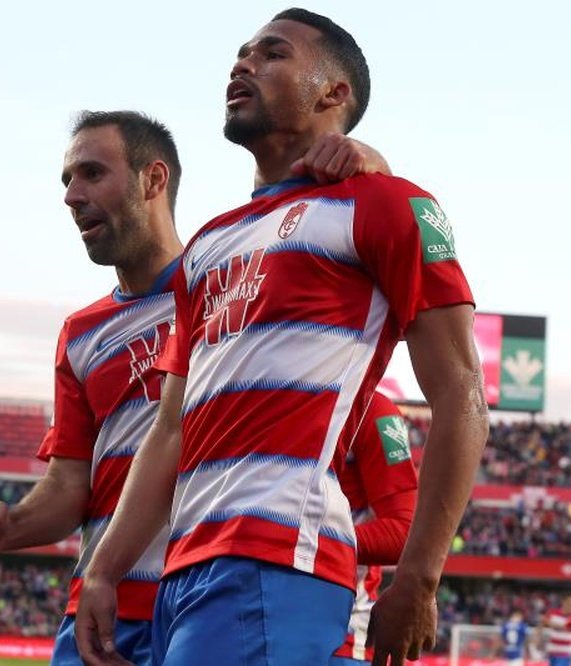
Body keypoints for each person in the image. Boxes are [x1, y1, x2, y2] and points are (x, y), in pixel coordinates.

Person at [75, 8, 488, 666]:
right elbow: (171, 429)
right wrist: (105, 568)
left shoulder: (385, 204)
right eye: (241, 54)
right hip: (184, 574)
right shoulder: (208, 244)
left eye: (273, 54)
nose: (243, 64)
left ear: (333, 94)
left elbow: (462, 395)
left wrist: (419, 577)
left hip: (277, 559)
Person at [0, 110, 392, 665]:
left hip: (213, 590)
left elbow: (348, 245)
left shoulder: (234, 282)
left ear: (153, 180)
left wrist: (368, 162)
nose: (71, 195)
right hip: (105, 604)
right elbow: (68, 488)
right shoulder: (80, 336)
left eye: (90, 173)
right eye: (66, 180)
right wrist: (7, 526)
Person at [332, 394, 418, 665]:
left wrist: (297, 543)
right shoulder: (240, 389)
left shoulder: (374, 409)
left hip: (339, 636)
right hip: (239, 612)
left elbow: (402, 532)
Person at [540, 595, 571, 666]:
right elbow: (544, 621)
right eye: (570, 603)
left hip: (565, 652)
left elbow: (566, 627)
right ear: (563, 602)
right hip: (552, 651)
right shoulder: (553, 612)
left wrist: (553, 624)